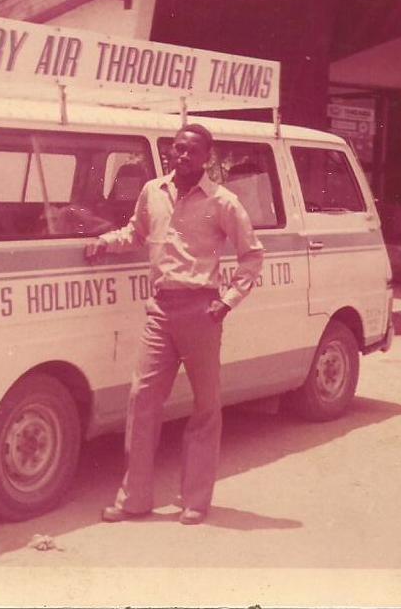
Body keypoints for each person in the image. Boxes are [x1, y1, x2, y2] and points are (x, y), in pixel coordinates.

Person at [84, 123, 264, 525]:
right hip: (160, 310)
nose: (182, 156)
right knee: (142, 400)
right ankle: (134, 500)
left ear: (207, 158)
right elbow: (136, 232)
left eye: (191, 151)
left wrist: (227, 302)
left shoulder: (223, 202)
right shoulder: (153, 192)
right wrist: (105, 243)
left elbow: (252, 256)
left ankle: (195, 501)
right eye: (177, 149)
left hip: (202, 311)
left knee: (205, 408)